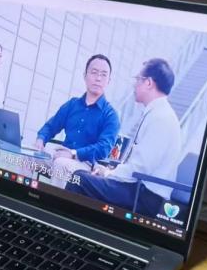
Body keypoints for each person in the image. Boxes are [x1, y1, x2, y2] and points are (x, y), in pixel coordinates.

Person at [66, 59, 183, 215]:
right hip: (138, 189)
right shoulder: (158, 113)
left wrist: (109, 174)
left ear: (148, 83)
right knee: (86, 177)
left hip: (144, 197)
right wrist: (111, 171)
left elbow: (140, 167)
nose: (135, 84)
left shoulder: (161, 118)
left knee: (79, 179)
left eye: (138, 79)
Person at [34, 54, 121, 173]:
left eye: (103, 75)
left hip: (87, 164)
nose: (98, 78)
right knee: (29, 158)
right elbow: (51, 126)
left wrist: (74, 154)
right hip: (62, 154)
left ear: (108, 81)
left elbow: (103, 148)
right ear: (85, 76)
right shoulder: (72, 104)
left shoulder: (111, 115)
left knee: (61, 164)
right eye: (94, 72)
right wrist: (41, 139)